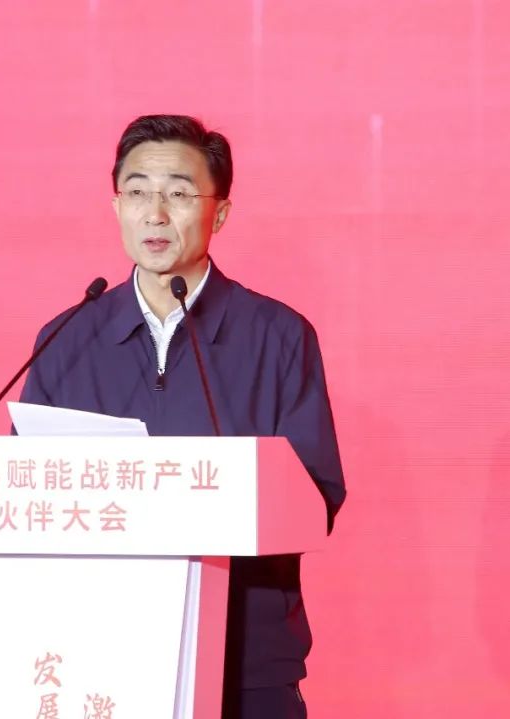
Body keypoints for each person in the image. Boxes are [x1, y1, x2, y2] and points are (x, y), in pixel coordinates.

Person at [19, 114, 346, 719]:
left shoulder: (278, 336)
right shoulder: (65, 340)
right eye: (136, 191)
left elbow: (317, 497)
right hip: (99, 654)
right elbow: (23, 494)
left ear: (219, 214)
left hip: (244, 660)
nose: (155, 213)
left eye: (178, 193)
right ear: (116, 206)